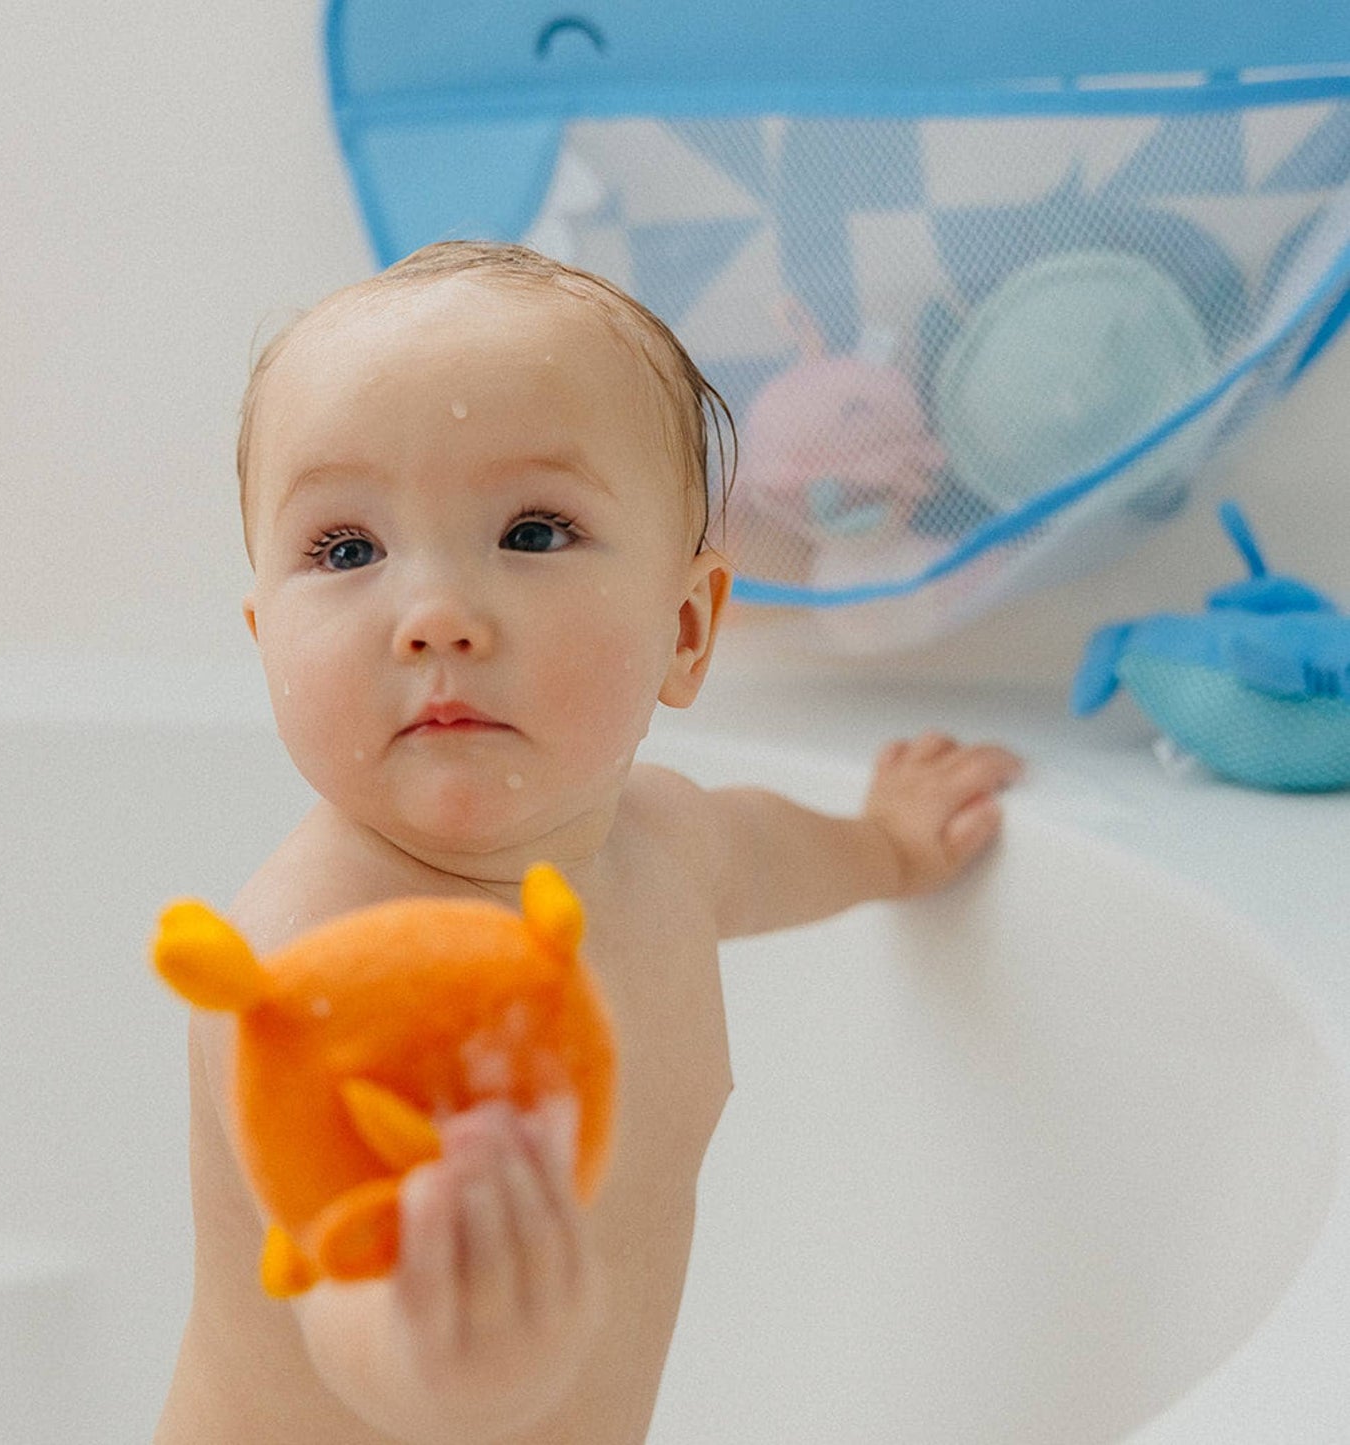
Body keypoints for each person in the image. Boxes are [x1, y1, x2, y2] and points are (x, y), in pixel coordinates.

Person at [154, 240, 1023, 1445]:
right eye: (346, 548)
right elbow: (344, 1289)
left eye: (531, 531)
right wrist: (442, 1352)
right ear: (264, 637)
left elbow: (762, 851)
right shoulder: (313, 967)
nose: (435, 617)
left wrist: (884, 845)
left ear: (686, 628)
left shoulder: (665, 843)